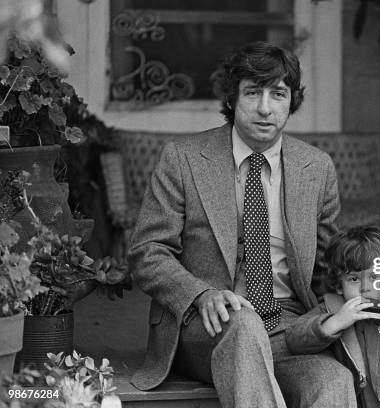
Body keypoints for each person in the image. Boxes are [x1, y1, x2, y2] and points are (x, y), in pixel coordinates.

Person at [128, 41, 357, 408]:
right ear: (232, 98)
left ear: (292, 101)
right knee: (243, 324)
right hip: (209, 325)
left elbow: (331, 264)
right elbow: (147, 252)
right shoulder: (183, 159)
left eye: (278, 94)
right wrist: (201, 294)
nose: (265, 108)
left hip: (289, 326)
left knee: (333, 381)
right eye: (252, 93)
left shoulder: (316, 167)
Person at [285, 226, 380, 408]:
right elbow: (293, 340)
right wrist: (334, 323)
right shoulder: (331, 310)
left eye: (374, 276)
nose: (365, 288)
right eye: (354, 279)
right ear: (338, 285)